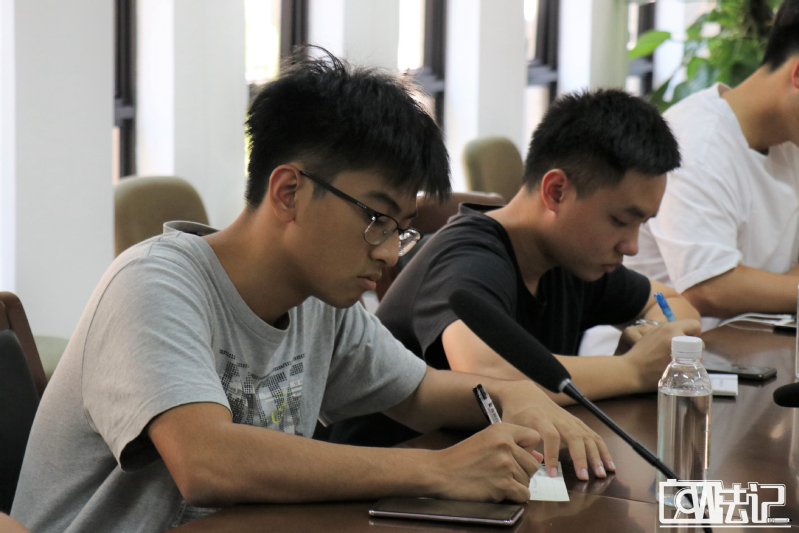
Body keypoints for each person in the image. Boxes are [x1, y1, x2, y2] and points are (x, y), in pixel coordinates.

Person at [10, 52, 613, 533]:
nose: (389, 252)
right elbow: (206, 461)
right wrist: (439, 469)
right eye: (376, 219)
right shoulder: (154, 285)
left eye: (401, 229)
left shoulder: (319, 301)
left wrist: (512, 394)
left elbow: (419, 393)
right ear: (289, 192)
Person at [329, 89, 701, 447]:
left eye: (641, 225)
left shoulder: (573, 258)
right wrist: (634, 369)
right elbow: (487, 374)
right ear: (556, 191)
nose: (631, 246)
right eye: (620, 221)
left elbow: (672, 302)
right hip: (393, 471)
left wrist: (654, 336)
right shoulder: (469, 256)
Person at [625, 1, 799, 321]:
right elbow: (710, 288)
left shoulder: (790, 138)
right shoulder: (696, 144)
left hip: (755, 342)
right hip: (658, 347)